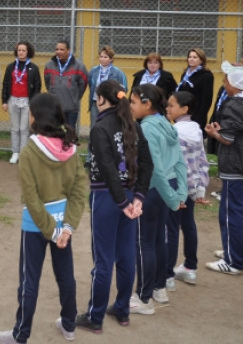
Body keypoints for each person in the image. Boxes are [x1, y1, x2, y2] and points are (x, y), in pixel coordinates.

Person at [0, 93, 87, 344]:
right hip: (62, 223)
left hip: (36, 225)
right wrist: (65, 227)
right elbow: (80, 190)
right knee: (66, 276)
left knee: (29, 280)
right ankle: (69, 325)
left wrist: (52, 230)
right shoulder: (71, 147)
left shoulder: (29, 151)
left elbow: (31, 198)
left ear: (36, 117)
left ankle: (20, 334)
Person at [76, 80, 153, 334]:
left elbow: (108, 169)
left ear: (101, 100)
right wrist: (137, 198)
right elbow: (147, 163)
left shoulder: (100, 127)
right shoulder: (132, 125)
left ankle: (95, 316)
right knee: (125, 255)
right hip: (129, 198)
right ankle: (122, 309)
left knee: (103, 258)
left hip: (108, 198)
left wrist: (121, 202)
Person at [204, 62, 243, 275]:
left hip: (236, 167)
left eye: (226, 81)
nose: (224, 84)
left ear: (233, 85)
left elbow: (229, 139)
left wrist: (214, 133)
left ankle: (233, 262)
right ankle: (239, 253)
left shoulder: (234, 105)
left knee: (231, 213)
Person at [128, 84, 187, 314]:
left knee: (143, 243)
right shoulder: (166, 123)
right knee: (156, 240)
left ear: (147, 104)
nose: (130, 107)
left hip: (153, 190)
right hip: (166, 188)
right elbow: (179, 161)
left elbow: (156, 169)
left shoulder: (147, 129)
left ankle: (143, 298)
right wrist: (179, 193)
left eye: (133, 102)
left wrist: (173, 199)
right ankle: (159, 287)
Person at [165, 91, 210, 287]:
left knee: (171, 228)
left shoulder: (173, 132)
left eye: (171, 105)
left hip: (175, 186)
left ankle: (167, 275)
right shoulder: (197, 131)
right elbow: (202, 161)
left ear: (184, 109)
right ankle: (190, 268)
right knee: (188, 224)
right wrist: (199, 189)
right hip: (191, 186)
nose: (167, 109)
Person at [0, 41, 42, 164]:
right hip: (13, 99)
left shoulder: (33, 68)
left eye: (23, 50)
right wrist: (4, 101)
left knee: (24, 128)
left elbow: (37, 86)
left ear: (28, 52)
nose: (21, 52)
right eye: (19, 50)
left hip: (26, 101)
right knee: (14, 128)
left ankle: (24, 153)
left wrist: (33, 103)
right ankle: (15, 152)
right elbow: (6, 84)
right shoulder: (11, 66)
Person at [43, 40, 87, 130]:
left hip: (71, 108)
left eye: (62, 49)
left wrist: (74, 97)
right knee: (55, 134)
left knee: (69, 134)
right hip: (55, 107)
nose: (59, 52)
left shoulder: (79, 66)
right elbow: (47, 83)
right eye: (57, 49)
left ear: (68, 50)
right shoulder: (49, 65)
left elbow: (83, 84)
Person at [176, 48, 214, 132]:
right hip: (183, 113)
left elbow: (206, 100)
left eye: (195, 57)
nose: (191, 59)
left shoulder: (206, 76)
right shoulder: (185, 74)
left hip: (196, 115)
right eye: (190, 57)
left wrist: (199, 118)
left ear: (201, 60)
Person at [88, 46, 127, 126]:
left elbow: (124, 88)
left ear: (111, 59)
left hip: (110, 103)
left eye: (105, 57)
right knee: (94, 125)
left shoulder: (118, 72)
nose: (102, 59)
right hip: (96, 102)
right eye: (101, 57)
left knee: (109, 125)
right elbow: (90, 84)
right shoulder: (93, 70)